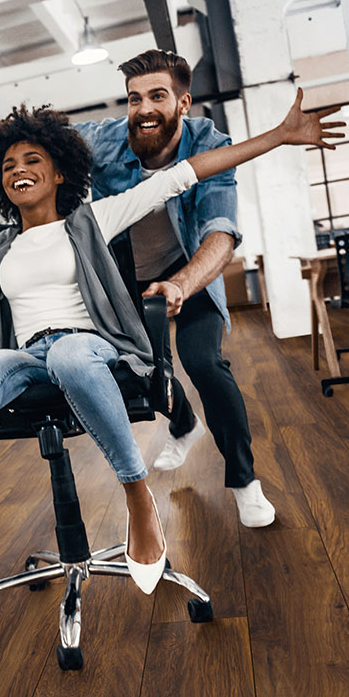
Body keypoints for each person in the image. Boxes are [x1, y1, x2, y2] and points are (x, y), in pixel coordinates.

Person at [0, 93, 342, 595]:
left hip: (91, 347)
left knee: (66, 352)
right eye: (7, 165)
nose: (17, 170)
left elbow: (186, 173)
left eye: (32, 160)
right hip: (28, 358)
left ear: (60, 172)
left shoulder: (93, 220)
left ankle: (137, 496)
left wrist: (278, 136)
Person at [76, 49, 278, 527]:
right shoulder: (103, 141)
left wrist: (181, 285)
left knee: (203, 362)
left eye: (157, 96)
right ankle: (184, 425)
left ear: (183, 103)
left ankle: (246, 483)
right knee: (140, 371)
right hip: (125, 277)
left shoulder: (209, 144)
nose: (143, 108)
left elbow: (221, 233)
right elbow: (46, 144)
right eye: (134, 98)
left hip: (187, 270)